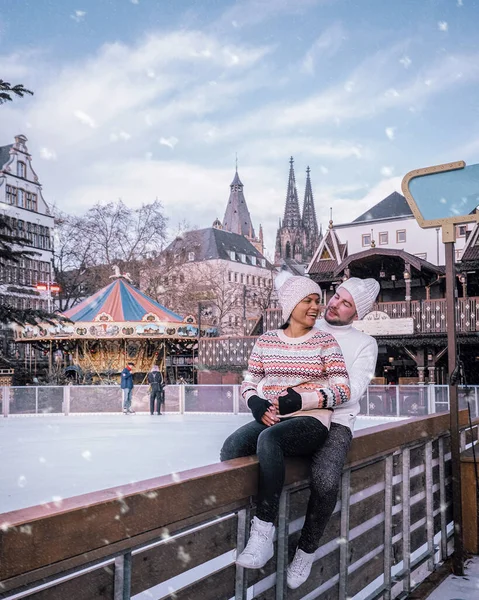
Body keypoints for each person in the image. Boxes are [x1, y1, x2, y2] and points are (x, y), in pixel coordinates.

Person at [220, 274, 351, 572]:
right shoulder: (266, 340)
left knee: (270, 440)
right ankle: (246, 517)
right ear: (291, 305)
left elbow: (343, 389)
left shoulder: (325, 341)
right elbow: (249, 381)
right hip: (275, 417)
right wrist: (255, 403)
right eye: (308, 300)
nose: (315, 306)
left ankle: (263, 532)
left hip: (311, 420)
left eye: (318, 300)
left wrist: (302, 400)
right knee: (232, 448)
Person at [286, 277, 380, 589]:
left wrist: (309, 389)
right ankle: (261, 530)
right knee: (251, 451)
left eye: (346, 303)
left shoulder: (365, 344)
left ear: (357, 313)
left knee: (326, 479)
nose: (335, 304)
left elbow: (352, 392)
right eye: (336, 296)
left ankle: (306, 548)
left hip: (337, 421)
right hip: (298, 415)